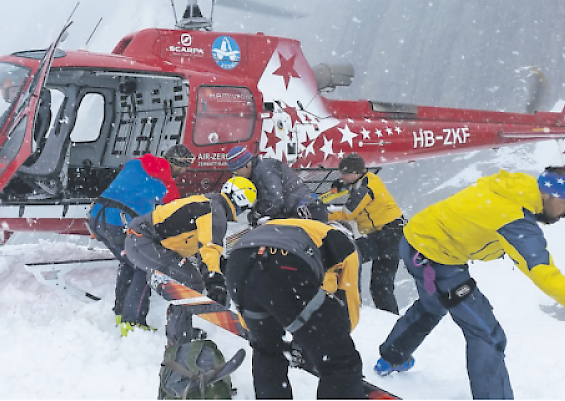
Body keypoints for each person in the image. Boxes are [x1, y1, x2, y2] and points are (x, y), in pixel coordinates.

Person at [374, 166, 565, 399]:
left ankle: (391, 357)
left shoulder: (516, 186)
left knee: (433, 304)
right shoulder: (515, 221)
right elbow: (551, 281)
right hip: (437, 262)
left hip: (415, 241)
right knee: (487, 334)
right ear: (549, 195)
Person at [226, 218, 363, 399]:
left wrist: (259, 331)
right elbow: (348, 303)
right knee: (341, 361)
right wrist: (327, 344)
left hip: (238, 263)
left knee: (267, 350)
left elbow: (305, 293)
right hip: (285, 262)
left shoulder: (301, 229)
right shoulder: (345, 245)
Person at [124, 176, 257, 345]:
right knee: (190, 284)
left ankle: (180, 327)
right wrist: (214, 281)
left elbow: (200, 245)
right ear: (241, 202)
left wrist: (220, 268)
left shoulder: (209, 204)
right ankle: (178, 337)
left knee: (191, 282)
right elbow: (210, 247)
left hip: (143, 241)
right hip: (144, 242)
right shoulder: (214, 211)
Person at [86, 144, 194, 335]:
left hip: (98, 216)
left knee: (129, 263)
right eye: (184, 167)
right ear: (177, 164)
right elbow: (176, 218)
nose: (184, 172)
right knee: (146, 267)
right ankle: (133, 321)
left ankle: (121, 313)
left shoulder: (136, 163)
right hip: (118, 223)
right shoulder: (168, 185)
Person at [328, 153, 407, 315]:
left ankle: (350, 305)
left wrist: (322, 213)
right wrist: (345, 186)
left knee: (347, 257)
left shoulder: (364, 188)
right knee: (381, 285)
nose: (341, 176)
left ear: (355, 173)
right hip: (393, 235)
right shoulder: (365, 180)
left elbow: (347, 213)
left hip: (386, 235)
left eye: (344, 173)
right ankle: (390, 318)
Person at [227, 146, 328, 224]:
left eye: (236, 172)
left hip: (306, 213)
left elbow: (275, 202)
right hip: (307, 211)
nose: (237, 176)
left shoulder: (262, 171)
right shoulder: (260, 169)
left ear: (245, 165)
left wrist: (256, 214)